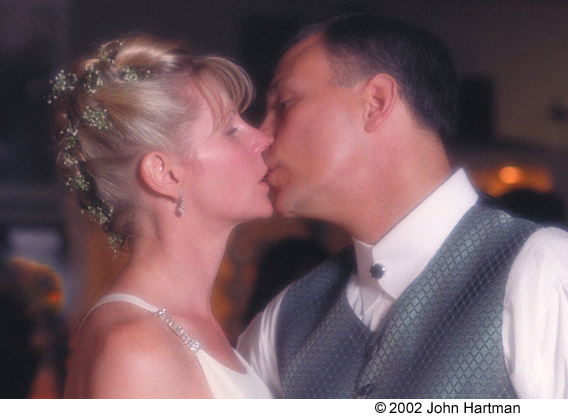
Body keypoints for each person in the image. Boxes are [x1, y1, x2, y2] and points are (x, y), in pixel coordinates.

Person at [237, 14, 568, 399]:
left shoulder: (544, 272)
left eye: (284, 103)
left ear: (376, 103)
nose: (261, 135)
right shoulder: (280, 324)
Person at [52, 34, 273, 398]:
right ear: (165, 174)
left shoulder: (175, 327)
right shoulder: (137, 350)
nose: (262, 138)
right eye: (231, 131)